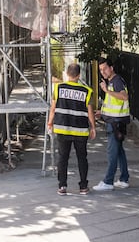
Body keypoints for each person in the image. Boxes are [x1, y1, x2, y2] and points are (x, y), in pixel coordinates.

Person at [47, 63, 96, 195]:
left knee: (63, 158)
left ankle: (62, 186)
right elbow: (90, 112)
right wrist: (93, 127)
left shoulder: (58, 88)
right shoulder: (87, 91)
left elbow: (53, 108)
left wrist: (50, 123)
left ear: (67, 74)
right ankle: (83, 186)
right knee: (82, 158)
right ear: (79, 75)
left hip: (63, 129)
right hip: (80, 130)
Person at [93, 57, 130, 191]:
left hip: (116, 124)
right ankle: (124, 179)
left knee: (112, 152)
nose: (103, 72)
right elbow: (113, 104)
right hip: (115, 122)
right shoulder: (112, 82)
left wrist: (107, 91)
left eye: (105, 69)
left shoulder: (116, 81)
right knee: (119, 152)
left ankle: (108, 182)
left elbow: (124, 96)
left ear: (111, 68)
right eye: (101, 70)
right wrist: (101, 112)